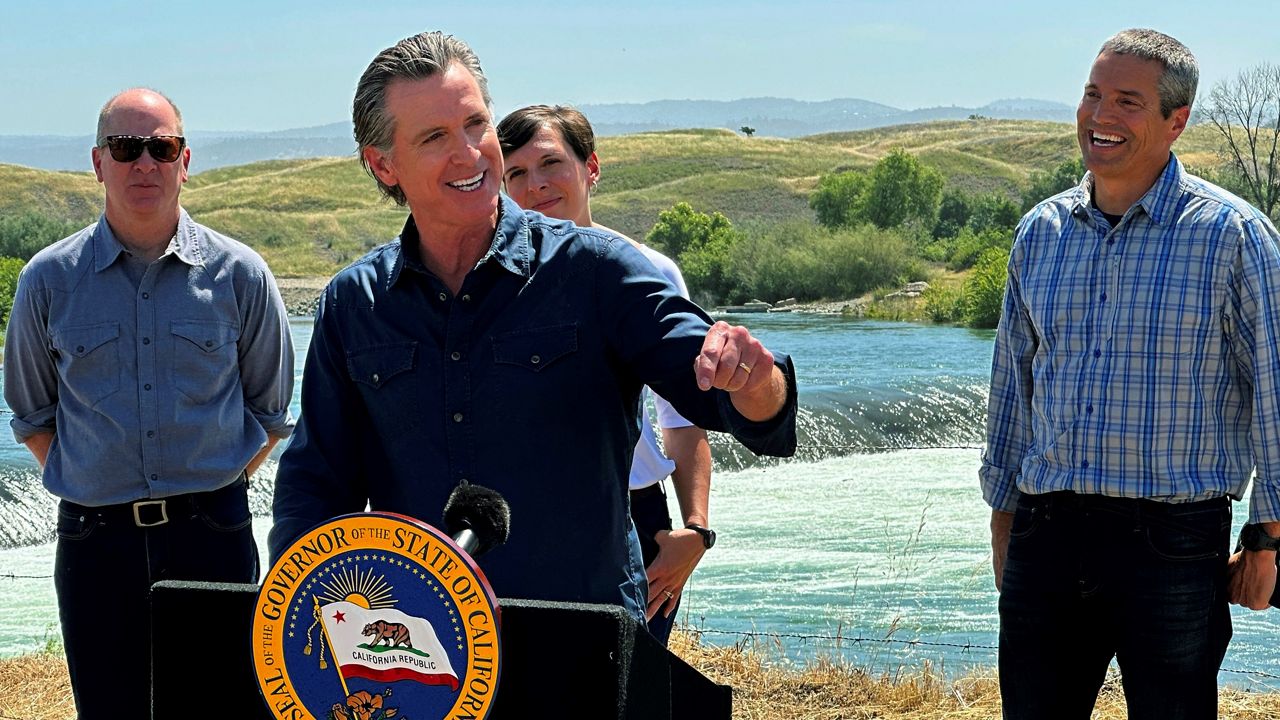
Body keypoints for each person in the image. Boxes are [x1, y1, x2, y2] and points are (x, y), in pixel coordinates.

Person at [268, 32, 797, 626]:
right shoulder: (353, 303)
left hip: (581, 642)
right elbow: (316, 487)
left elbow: (747, 407)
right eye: (435, 136)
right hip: (421, 654)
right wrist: (302, 620)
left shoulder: (597, 271)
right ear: (383, 163)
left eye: (475, 124)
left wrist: (752, 378)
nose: (469, 153)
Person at [981, 28, 1280, 719]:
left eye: (1127, 101)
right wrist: (1005, 527)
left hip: (1172, 546)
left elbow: (1276, 395)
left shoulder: (1233, 236)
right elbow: (1011, 397)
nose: (1099, 116)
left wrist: (1267, 540)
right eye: (1092, 95)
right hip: (1045, 537)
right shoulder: (1040, 233)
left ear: (1177, 121)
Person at [3, 88, 295, 719]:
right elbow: (30, 415)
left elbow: (270, 412)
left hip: (212, 536)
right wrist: (100, 475)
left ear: (184, 161)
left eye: (160, 148)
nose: (144, 163)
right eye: (126, 147)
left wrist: (206, 489)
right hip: (94, 540)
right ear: (97, 161)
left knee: (222, 710)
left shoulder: (241, 275)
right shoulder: (46, 280)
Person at [497, 105, 714, 644]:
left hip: (636, 517)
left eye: (551, 164)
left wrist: (695, 530)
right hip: (518, 520)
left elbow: (683, 415)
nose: (536, 185)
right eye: (516, 174)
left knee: (625, 692)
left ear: (590, 167)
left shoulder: (647, 271)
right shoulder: (488, 282)